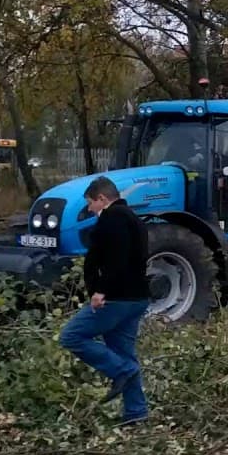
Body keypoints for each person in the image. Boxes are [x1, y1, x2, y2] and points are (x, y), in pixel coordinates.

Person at [59, 176, 151, 426]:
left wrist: (100, 290)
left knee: (71, 336)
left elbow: (116, 259)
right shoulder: (135, 219)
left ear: (102, 199)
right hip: (137, 297)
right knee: (124, 353)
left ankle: (120, 372)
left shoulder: (114, 218)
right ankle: (136, 413)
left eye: (90, 203)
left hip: (117, 298)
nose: (90, 209)